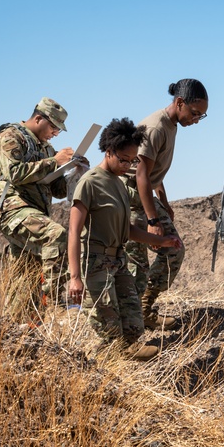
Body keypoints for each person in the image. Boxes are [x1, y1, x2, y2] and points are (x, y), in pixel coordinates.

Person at [67, 118, 181, 361]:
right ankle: (100, 363)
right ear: (108, 152)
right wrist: (75, 277)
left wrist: (161, 241)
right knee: (110, 330)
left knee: (134, 324)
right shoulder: (89, 183)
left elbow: (125, 229)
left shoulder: (118, 185)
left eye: (132, 161)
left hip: (118, 262)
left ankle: (121, 353)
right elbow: (74, 232)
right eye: (123, 159)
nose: (127, 165)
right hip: (95, 264)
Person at [125, 79, 209, 330]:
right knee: (141, 262)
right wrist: (153, 220)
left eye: (201, 117)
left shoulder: (171, 125)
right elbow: (140, 174)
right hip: (128, 197)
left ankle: (144, 308)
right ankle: (135, 319)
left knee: (170, 250)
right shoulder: (155, 127)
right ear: (179, 103)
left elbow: (153, 174)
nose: (195, 120)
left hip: (144, 195)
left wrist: (164, 202)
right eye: (194, 113)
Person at [0, 97, 86, 314]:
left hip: (33, 212)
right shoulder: (10, 136)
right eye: (53, 127)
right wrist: (55, 161)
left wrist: (74, 170)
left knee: (25, 279)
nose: (55, 133)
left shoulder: (46, 148)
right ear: (38, 118)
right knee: (57, 235)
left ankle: (15, 329)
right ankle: (54, 302)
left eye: (59, 130)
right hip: (12, 208)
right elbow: (13, 173)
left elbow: (58, 190)